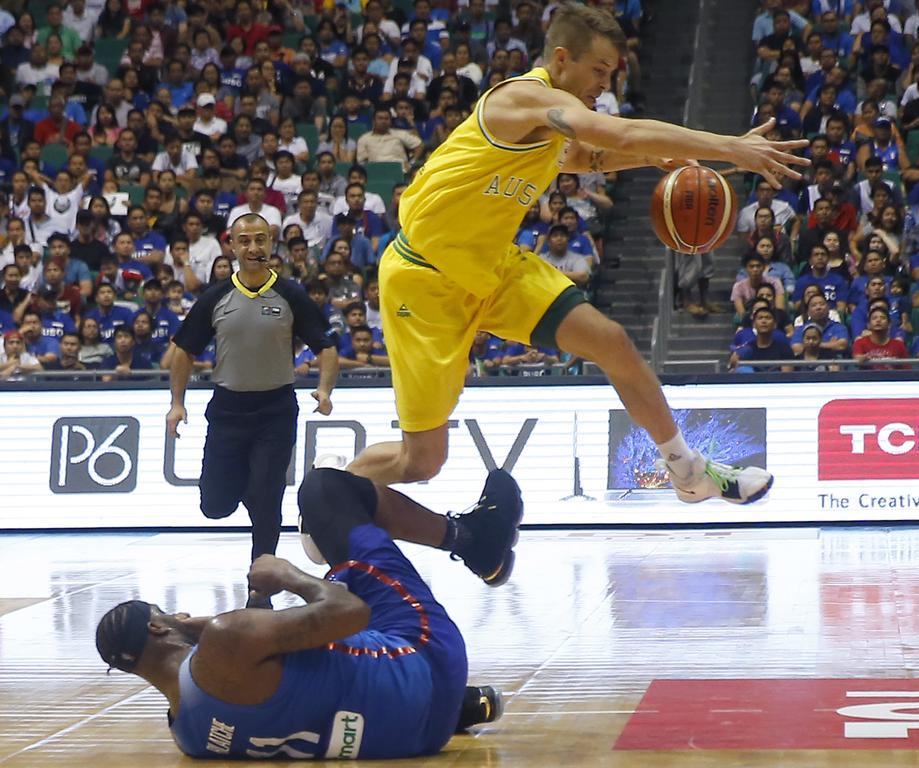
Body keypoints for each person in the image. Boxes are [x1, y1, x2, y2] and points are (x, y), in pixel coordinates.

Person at [344, 4, 808, 505]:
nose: (604, 87)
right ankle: (332, 495)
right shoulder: (520, 100)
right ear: (562, 59)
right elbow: (618, 133)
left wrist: (653, 157)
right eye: (600, 72)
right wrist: (730, 147)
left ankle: (686, 469)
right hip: (424, 278)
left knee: (612, 342)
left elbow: (589, 155)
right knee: (423, 461)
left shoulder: (546, 127)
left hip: (492, 269)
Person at [95, 460, 518, 759]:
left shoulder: (188, 736)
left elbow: (262, 682)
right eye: (167, 612)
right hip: (427, 658)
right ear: (156, 628)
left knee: (314, 665)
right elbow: (350, 612)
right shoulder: (228, 639)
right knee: (325, 492)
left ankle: (459, 707)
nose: (182, 614)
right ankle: (474, 540)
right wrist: (288, 575)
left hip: (418, 735)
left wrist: (225, 626)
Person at [166, 214, 340, 605]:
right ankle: (255, 489)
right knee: (214, 505)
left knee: (266, 502)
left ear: (271, 242)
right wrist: (177, 404)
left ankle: (260, 591)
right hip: (227, 410)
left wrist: (324, 389)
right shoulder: (215, 297)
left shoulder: (292, 295)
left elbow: (326, 348)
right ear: (232, 246)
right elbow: (183, 351)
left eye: (260, 240)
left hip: (276, 409)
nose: (253, 248)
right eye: (244, 241)